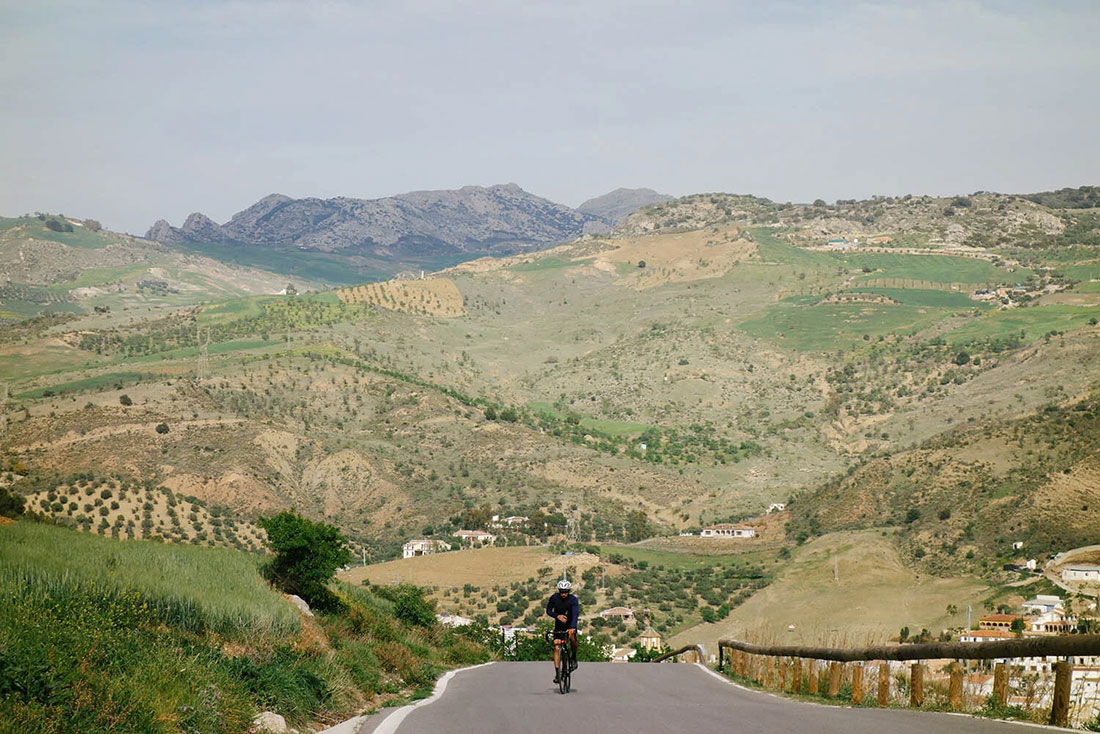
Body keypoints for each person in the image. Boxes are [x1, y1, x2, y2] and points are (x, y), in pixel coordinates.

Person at [546, 579, 579, 684]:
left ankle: (573, 657)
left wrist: (572, 627)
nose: (563, 594)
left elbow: (575, 614)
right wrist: (557, 616)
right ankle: (558, 673)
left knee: (572, 637)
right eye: (561, 592)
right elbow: (548, 610)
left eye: (565, 592)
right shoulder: (554, 598)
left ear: (569, 591)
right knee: (556, 646)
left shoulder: (573, 600)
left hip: (570, 625)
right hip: (559, 626)